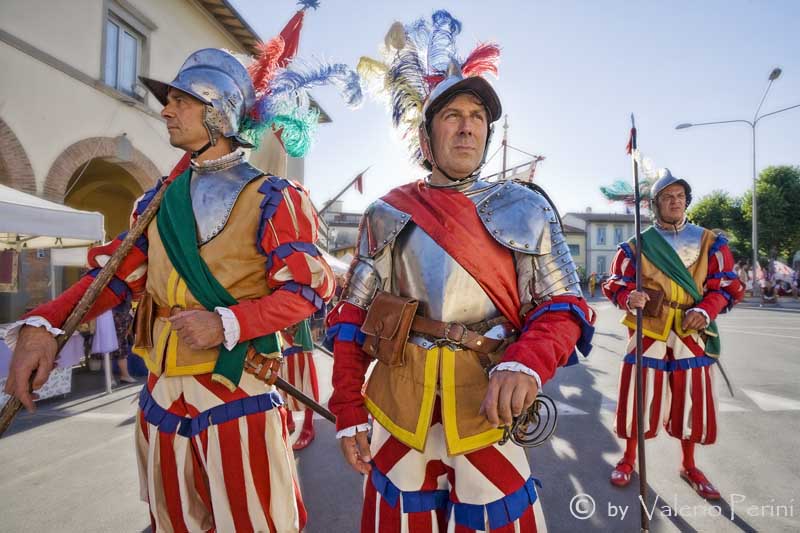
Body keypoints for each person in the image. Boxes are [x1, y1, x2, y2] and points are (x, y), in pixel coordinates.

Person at [4, 46, 339, 531]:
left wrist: (227, 322)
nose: (166, 110)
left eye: (180, 100)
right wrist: (44, 323)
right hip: (160, 399)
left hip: (236, 392)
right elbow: (112, 278)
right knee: (172, 522)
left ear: (219, 109)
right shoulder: (154, 200)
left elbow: (307, 293)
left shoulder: (275, 197)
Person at [327, 11, 594, 532]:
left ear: (488, 131)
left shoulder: (527, 208)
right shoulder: (387, 211)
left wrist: (526, 364)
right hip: (398, 402)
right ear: (427, 135)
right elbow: (349, 320)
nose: (468, 123)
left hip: (488, 405)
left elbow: (564, 309)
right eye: (452, 114)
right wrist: (346, 408)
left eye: (477, 114)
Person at [602, 168, 744, 500]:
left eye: (680, 196)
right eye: (668, 196)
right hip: (649, 327)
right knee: (639, 393)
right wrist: (628, 297)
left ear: (686, 201)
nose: (675, 201)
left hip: (692, 328)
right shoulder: (637, 244)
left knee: (693, 398)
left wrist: (705, 310)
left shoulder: (710, 240)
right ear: (656, 204)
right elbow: (616, 284)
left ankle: (689, 465)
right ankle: (628, 458)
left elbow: (725, 285)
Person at [279, 319, 319, 450]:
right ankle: (288, 421)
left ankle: (308, 427)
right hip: (283, 347)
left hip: (299, 346)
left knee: (307, 388)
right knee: (284, 385)